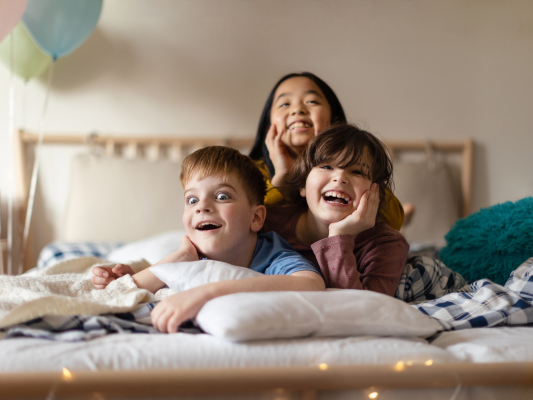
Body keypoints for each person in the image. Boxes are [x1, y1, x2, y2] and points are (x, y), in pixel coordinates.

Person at [91, 146, 325, 333]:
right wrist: (179, 257)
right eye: (192, 200)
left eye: (222, 196)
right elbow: (122, 293)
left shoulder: (272, 255)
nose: (202, 206)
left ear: (256, 217)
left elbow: (312, 284)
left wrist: (208, 292)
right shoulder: (189, 253)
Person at [249, 72, 410, 230]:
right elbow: (248, 224)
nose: (298, 110)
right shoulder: (251, 173)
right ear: (268, 126)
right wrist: (282, 176)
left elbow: (393, 221)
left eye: (311, 101)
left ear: (335, 122)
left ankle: (409, 212)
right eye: (284, 104)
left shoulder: (353, 167)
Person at [262, 124, 409, 296]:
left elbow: (361, 309)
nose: (339, 178)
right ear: (302, 184)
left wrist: (339, 236)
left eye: (357, 172)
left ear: (377, 194)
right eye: (326, 167)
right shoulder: (266, 223)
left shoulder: (388, 244)